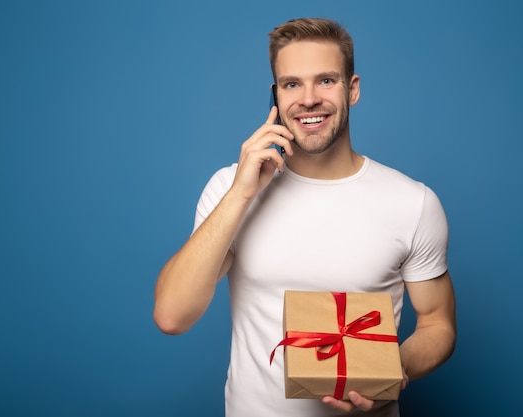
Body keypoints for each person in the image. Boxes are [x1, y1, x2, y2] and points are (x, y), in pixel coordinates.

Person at [153, 17, 456, 416]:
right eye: (292, 83)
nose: (309, 98)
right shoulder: (230, 188)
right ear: (275, 95)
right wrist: (242, 194)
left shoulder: (412, 202)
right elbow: (172, 315)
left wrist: (392, 370)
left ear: (353, 89)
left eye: (326, 81)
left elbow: (438, 324)